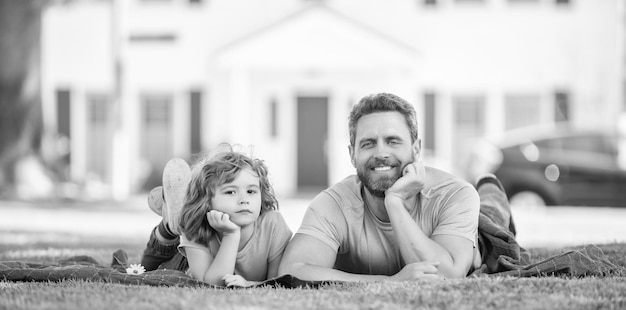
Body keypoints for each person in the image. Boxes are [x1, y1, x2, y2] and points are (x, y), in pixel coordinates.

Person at [278, 92, 518, 281]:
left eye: (393, 141)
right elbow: (293, 270)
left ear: (416, 149)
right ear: (352, 154)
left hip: (480, 234)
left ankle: (490, 189)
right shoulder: (333, 204)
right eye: (368, 143)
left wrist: (394, 202)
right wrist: (390, 281)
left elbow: (447, 275)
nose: (381, 153)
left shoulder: (455, 194)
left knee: (491, 213)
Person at [140, 146, 293, 287]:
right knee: (146, 271)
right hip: (185, 264)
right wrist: (231, 235)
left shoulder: (273, 224)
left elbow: (277, 282)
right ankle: (169, 227)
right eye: (230, 192)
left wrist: (248, 283)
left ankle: (179, 212)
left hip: (199, 246)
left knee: (183, 221)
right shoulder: (197, 224)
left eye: (251, 191)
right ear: (206, 200)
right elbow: (211, 284)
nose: (244, 200)